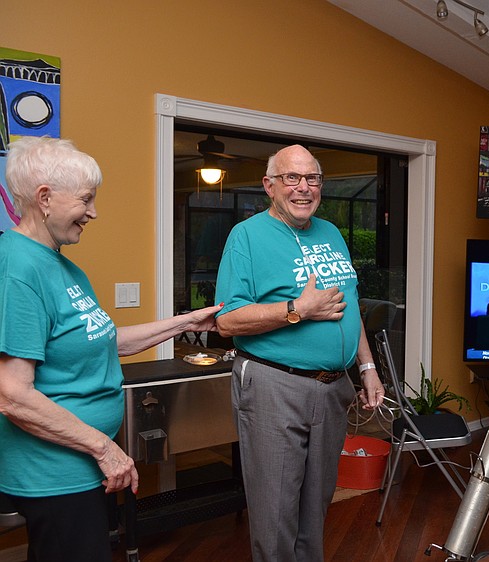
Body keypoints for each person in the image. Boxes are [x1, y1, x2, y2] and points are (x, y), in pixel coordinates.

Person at [0, 136, 221, 561]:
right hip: (55, 474)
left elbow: (101, 341)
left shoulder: (61, 265)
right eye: (86, 199)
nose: (93, 212)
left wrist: (186, 322)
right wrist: (103, 448)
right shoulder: (18, 268)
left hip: (80, 466)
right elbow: (12, 394)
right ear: (44, 198)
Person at [214, 144, 384, 562]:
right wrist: (297, 309)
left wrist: (366, 366)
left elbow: (350, 304)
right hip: (276, 384)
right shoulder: (247, 237)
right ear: (269, 185)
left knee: (316, 506)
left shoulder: (331, 233)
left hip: (333, 389)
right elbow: (227, 321)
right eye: (291, 178)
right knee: (276, 514)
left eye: (312, 178)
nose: (303, 188)